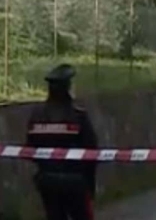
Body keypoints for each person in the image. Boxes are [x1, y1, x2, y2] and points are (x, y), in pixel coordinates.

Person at [26, 64, 98, 220]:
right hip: (75, 181)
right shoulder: (77, 115)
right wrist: (90, 186)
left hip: (47, 180)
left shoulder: (36, 115)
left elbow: (29, 149)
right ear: (67, 88)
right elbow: (91, 152)